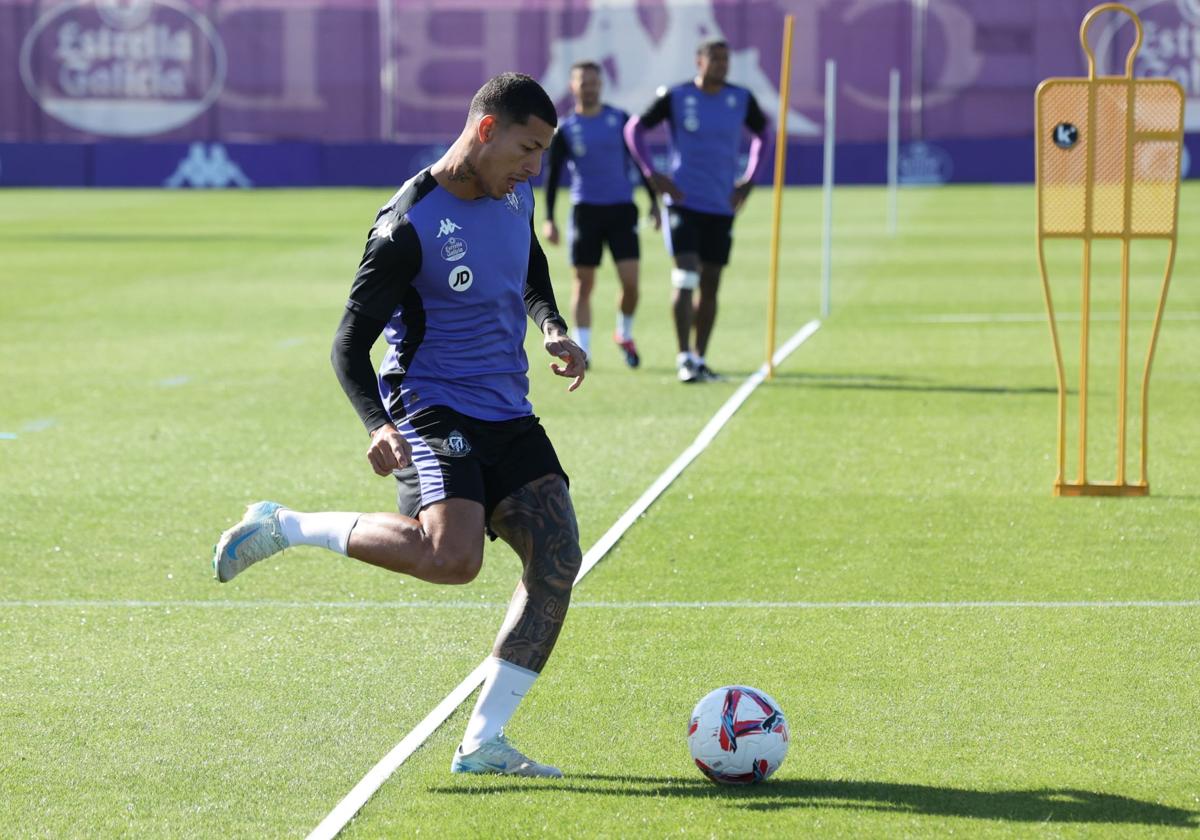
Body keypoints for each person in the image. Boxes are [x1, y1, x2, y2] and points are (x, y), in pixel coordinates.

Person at [212, 73, 587, 779]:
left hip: (508, 406)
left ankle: (482, 744)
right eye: (527, 149)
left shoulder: (514, 194)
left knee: (559, 558)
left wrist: (552, 327)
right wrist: (378, 425)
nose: (535, 167)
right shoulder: (405, 226)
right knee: (455, 560)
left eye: (542, 153)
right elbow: (346, 345)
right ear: (485, 130)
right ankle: (286, 524)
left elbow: (528, 262)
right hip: (432, 403)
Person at [623, 39, 769, 383]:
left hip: (721, 206)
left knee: (712, 283)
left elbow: (765, 134)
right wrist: (652, 173)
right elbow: (634, 129)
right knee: (686, 275)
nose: (721, 64)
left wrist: (749, 181)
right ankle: (684, 357)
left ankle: (701, 357)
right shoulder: (677, 97)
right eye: (714, 58)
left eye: (725, 59)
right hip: (684, 203)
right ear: (698, 61)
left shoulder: (741, 98)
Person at [542, 60, 659, 368]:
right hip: (585, 212)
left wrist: (654, 202)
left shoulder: (620, 120)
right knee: (583, 284)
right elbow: (552, 176)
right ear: (573, 86)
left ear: (601, 84)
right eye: (583, 82)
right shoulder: (566, 128)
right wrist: (549, 218)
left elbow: (640, 163)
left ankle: (625, 333)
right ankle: (584, 348)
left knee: (631, 283)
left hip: (621, 210)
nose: (589, 87)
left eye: (593, 81)